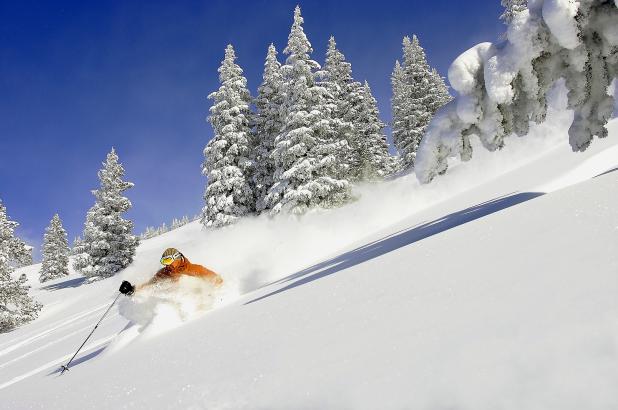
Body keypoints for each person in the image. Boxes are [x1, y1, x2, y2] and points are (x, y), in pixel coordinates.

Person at [119, 248, 222, 296]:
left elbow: (217, 279)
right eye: (164, 262)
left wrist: (213, 291)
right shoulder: (165, 272)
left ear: (177, 259)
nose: (166, 265)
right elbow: (151, 283)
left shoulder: (192, 269)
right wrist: (132, 289)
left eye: (168, 261)